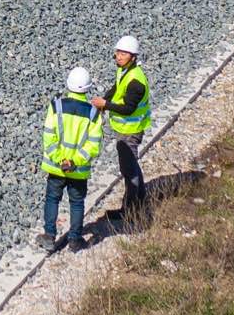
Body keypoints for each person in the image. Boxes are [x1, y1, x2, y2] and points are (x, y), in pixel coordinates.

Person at [40, 67, 108, 250]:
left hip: (56, 167)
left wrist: (60, 159)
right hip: (78, 170)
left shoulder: (57, 106)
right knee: (77, 203)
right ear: (87, 88)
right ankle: (75, 239)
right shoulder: (94, 113)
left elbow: (49, 136)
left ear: (68, 84)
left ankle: (49, 236)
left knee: (52, 199)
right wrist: (74, 161)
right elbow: (93, 145)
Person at [104, 37, 151, 229]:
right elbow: (116, 88)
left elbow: (128, 109)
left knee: (128, 170)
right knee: (130, 166)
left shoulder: (136, 82)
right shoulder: (124, 71)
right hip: (124, 130)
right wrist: (105, 99)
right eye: (118, 52)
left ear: (133, 57)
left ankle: (130, 212)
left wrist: (106, 105)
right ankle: (139, 199)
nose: (119, 56)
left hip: (130, 131)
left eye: (123, 54)